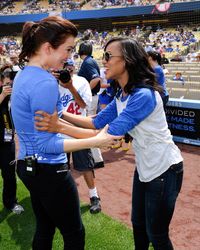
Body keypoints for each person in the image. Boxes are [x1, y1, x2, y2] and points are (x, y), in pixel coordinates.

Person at [35, 37, 184, 250]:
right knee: (139, 226)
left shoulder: (142, 95)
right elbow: (95, 121)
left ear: (127, 61)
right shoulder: (124, 93)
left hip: (164, 170)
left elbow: (104, 135)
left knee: (157, 234)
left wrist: (57, 127)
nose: (103, 61)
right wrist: (60, 116)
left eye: (107, 56)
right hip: (145, 168)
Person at [11, 16, 121, 250]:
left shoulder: (23, 75)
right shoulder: (44, 83)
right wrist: (94, 140)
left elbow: (57, 121)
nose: (69, 56)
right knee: (74, 234)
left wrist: (93, 134)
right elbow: (46, 144)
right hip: (48, 169)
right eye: (68, 49)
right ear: (48, 48)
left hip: (28, 166)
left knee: (45, 227)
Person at [58, 58, 101, 213]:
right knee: (60, 166)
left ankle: (94, 196)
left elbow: (84, 105)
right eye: (65, 68)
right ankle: (61, 197)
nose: (68, 71)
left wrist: (70, 87)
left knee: (85, 165)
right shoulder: (52, 84)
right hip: (59, 129)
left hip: (78, 129)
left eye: (70, 67)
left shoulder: (81, 81)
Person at [0, 66, 24, 214]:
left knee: (9, 174)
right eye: (8, 83)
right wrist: (3, 94)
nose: (10, 86)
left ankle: (11, 202)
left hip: (7, 139)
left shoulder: (16, 93)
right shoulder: (3, 93)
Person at [78, 41, 104, 169]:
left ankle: (96, 158)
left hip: (90, 98)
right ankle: (96, 157)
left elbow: (96, 78)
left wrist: (85, 92)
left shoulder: (88, 62)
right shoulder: (90, 61)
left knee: (88, 128)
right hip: (93, 97)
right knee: (89, 128)